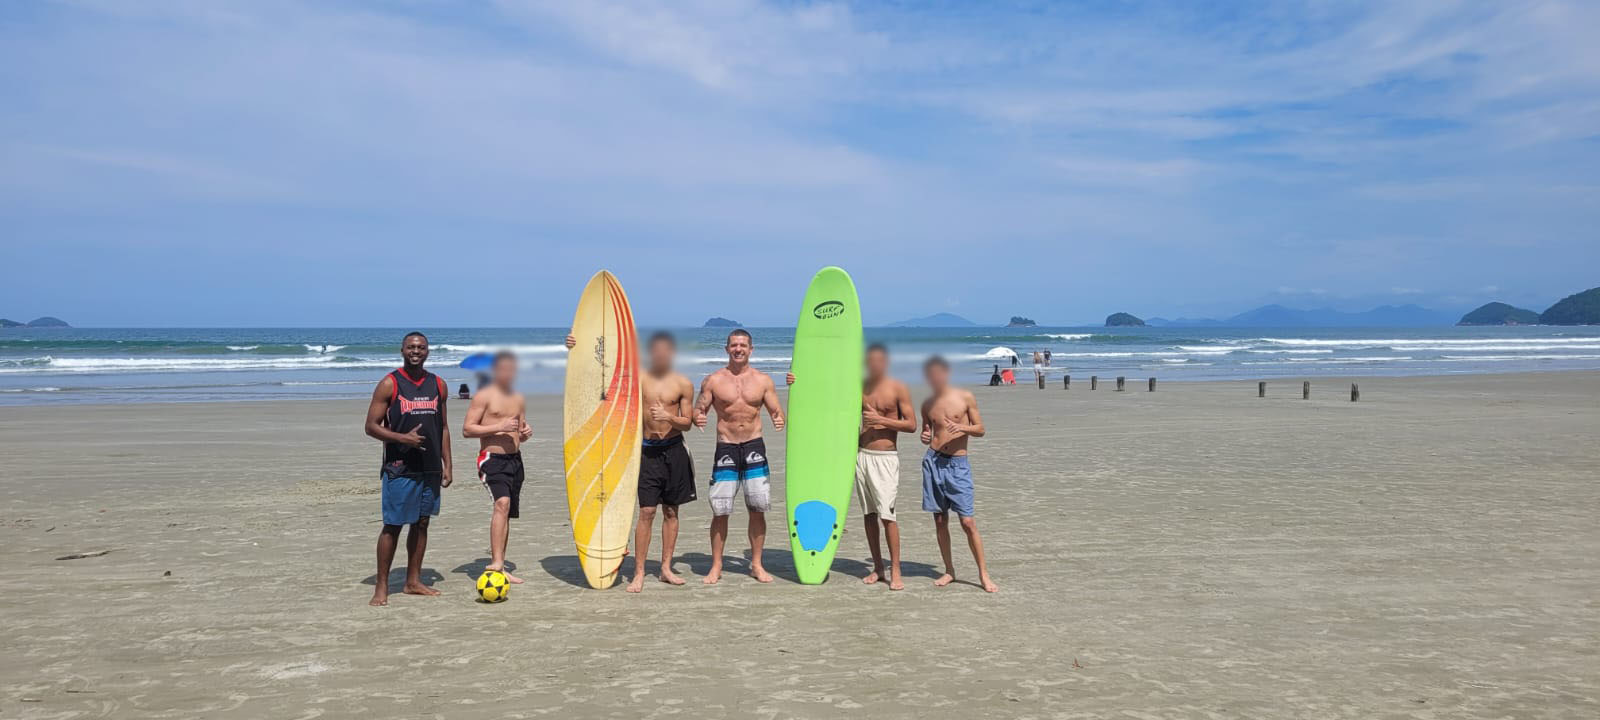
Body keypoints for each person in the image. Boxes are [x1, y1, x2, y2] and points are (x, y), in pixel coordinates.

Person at [786, 342, 915, 589]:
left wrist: (880, 419)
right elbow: (825, 392)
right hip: (860, 455)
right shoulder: (858, 387)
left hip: (885, 458)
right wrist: (796, 380)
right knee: (869, 515)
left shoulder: (898, 388)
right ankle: (878, 568)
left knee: (887, 516)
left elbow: (911, 425)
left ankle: (896, 570)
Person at [362, 332, 452, 606]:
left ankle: (413, 581)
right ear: (402, 350)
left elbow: (443, 427)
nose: (416, 351)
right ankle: (382, 586)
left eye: (421, 347)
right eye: (411, 347)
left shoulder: (438, 384)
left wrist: (448, 463)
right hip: (400, 467)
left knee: (422, 523)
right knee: (392, 526)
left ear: (428, 352)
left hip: (430, 467)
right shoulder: (390, 383)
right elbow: (371, 426)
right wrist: (403, 439)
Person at [694, 329, 785, 584]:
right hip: (726, 447)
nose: (738, 349)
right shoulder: (713, 380)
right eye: (734, 345)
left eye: (743, 345)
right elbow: (699, 409)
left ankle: (756, 564)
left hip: (754, 445)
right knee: (720, 510)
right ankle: (716, 566)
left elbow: (777, 412)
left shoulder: (763, 381)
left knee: (757, 508)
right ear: (727, 349)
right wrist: (698, 416)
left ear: (751, 349)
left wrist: (779, 419)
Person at [625, 332, 698, 592]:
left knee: (671, 511)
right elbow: (603, 374)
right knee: (646, 511)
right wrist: (575, 347)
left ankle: (666, 568)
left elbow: (687, 423)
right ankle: (639, 572)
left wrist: (668, 416)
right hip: (646, 452)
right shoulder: (638, 380)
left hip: (674, 451)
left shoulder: (683, 384)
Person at [919, 355, 997, 593]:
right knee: (940, 519)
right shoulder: (927, 403)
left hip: (958, 464)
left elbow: (981, 429)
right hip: (933, 461)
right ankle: (949, 570)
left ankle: (983, 574)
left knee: (968, 522)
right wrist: (924, 436)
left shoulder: (965, 397)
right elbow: (927, 433)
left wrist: (961, 427)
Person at [461, 351, 532, 584]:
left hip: (515, 460)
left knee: (507, 509)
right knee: (501, 503)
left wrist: (525, 433)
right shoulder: (483, 396)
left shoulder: (518, 397)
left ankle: (501, 563)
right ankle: (497, 563)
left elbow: (519, 431)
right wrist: (498, 426)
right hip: (492, 460)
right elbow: (467, 429)